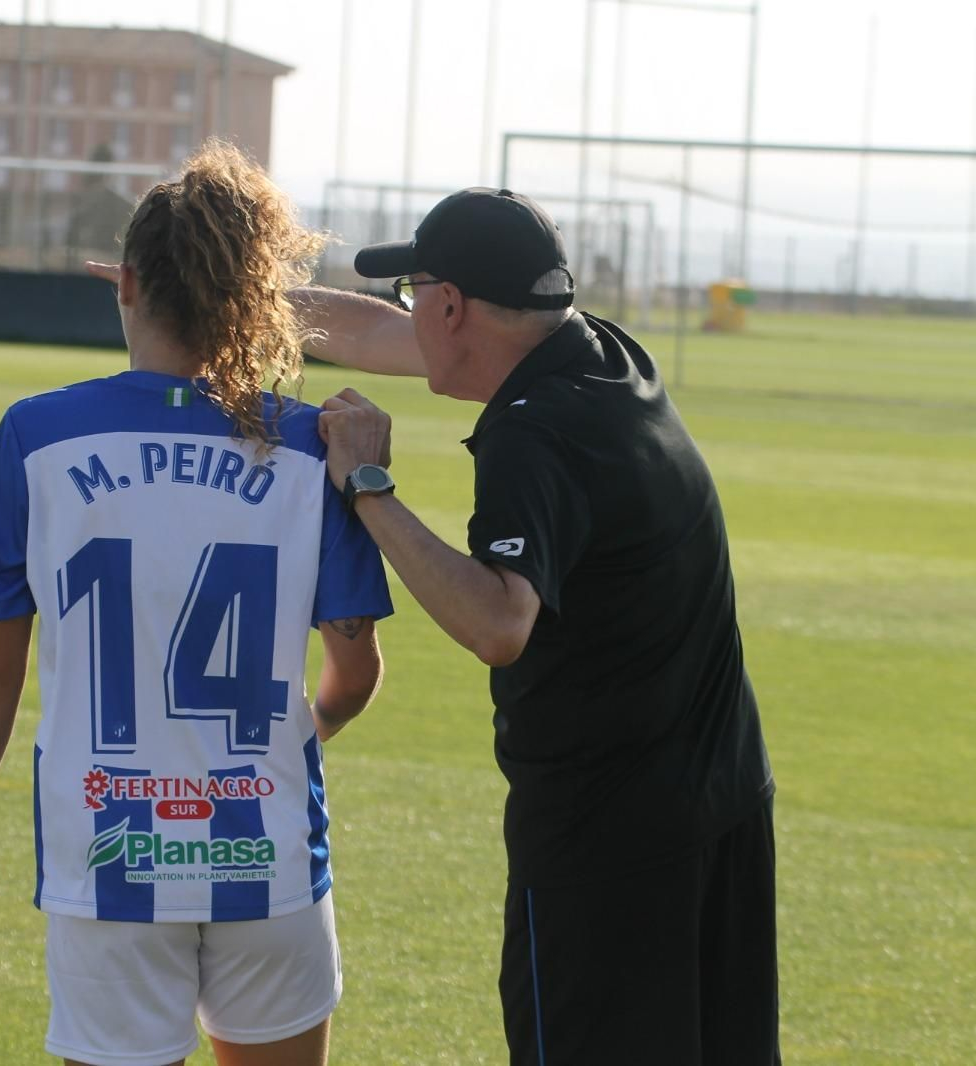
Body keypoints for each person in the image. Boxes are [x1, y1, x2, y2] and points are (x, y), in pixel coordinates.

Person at [300, 188, 779, 1066]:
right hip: (724, 804)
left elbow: (499, 621)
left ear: (451, 305)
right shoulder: (597, 351)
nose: (408, 316)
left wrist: (367, 486)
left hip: (609, 846)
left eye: (415, 293)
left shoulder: (532, 433)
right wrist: (227, 299)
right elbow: (371, 333)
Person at [0, 141, 392, 1066]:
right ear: (254, 300)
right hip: (265, 851)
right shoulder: (314, 446)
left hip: (106, 857)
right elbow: (354, 673)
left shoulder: (35, 436)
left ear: (128, 284)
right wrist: (271, 746)